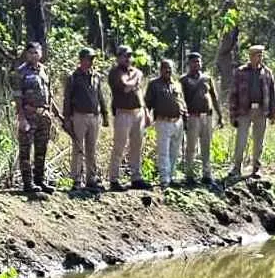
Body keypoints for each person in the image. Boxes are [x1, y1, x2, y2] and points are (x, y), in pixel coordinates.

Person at [63, 47, 109, 191]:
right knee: (78, 148)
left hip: (94, 116)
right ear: (81, 59)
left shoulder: (96, 76)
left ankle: (91, 178)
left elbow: (100, 96)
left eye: (92, 59)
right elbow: (67, 99)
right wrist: (67, 118)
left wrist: (105, 114)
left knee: (91, 149)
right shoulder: (73, 77)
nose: (91, 62)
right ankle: (76, 180)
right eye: (88, 59)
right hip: (79, 116)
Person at [229, 45, 275, 179]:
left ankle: (256, 168)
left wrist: (273, 114)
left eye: (261, 55)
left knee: (259, 141)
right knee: (241, 140)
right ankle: (237, 167)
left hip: (261, 111)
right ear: (250, 56)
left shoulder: (267, 72)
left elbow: (272, 94)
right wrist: (233, 115)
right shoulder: (240, 72)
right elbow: (233, 94)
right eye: (257, 55)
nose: (260, 57)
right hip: (244, 110)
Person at [107, 45, 150, 191]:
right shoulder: (114, 72)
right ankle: (113, 179)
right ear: (118, 57)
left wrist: (146, 112)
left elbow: (138, 92)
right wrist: (136, 80)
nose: (128, 58)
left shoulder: (135, 71)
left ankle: (136, 178)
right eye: (125, 56)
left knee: (137, 146)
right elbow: (125, 87)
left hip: (138, 113)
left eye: (129, 55)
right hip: (123, 113)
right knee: (119, 146)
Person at [13, 41, 54, 193]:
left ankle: (40, 180)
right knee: (25, 150)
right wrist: (22, 118)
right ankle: (27, 183)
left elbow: (49, 94)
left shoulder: (44, 70)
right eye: (30, 52)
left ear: (41, 54)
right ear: (26, 54)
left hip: (44, 116)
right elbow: (17, 97)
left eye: (36, 52)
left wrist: (53, 112)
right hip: (28, 115)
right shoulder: (21, 72)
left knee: (41, 150)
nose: (34, 55)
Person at [180, 51, 223, 186]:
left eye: (199, 61)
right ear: (189, 64)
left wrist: (220, 115)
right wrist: (183, 118)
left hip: (207, 117)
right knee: (191, 147)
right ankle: (189, 175)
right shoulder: (183, 80)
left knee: (206, 146)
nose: (197, 64)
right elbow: (180, 100)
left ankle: (207, 174)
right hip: (192, 117)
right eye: (194, 61)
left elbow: (214, 98)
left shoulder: (207, 78)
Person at [145, 59, 187, 188]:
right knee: (163, 152)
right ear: (160, 69)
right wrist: (146, 117)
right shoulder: (154, 84)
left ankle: (172, 176)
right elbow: (147, 103)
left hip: (178, 122)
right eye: (165, 67)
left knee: (175, 151)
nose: (168, 70)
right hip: (163, 122)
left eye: (170, 68)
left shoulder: (177, 84)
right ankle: (164, 179)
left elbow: (182, 102)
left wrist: (185, 118)